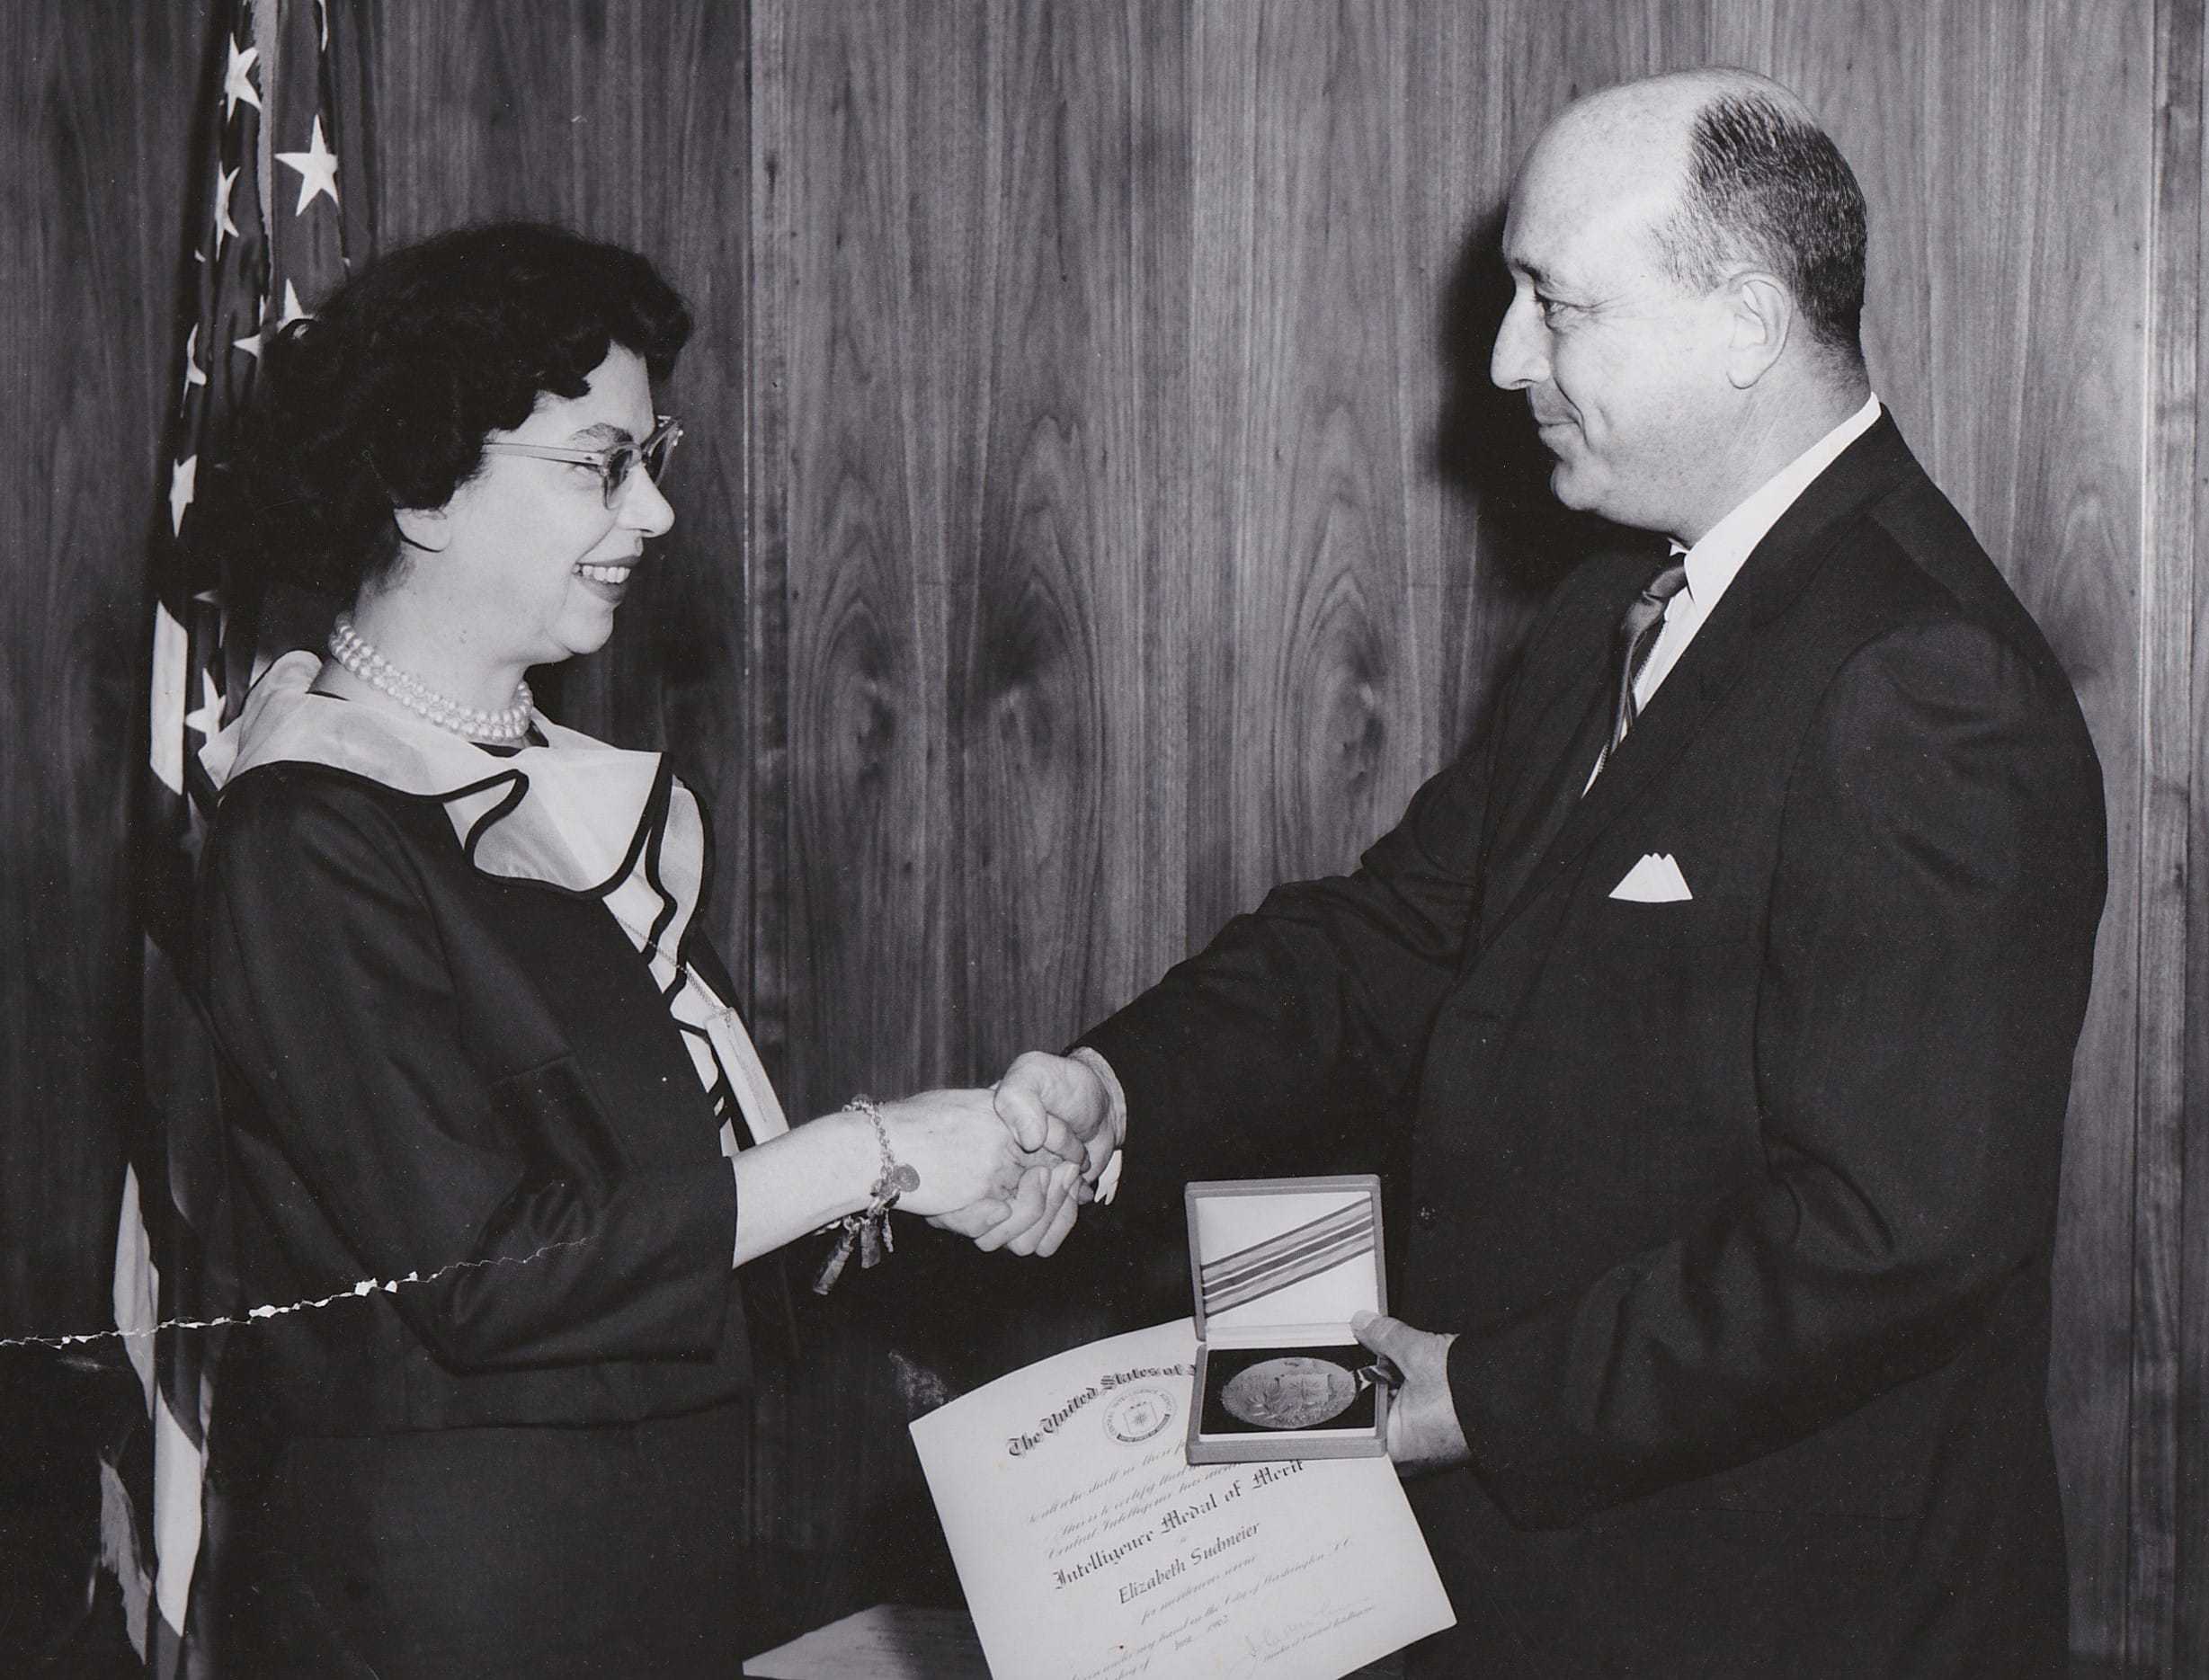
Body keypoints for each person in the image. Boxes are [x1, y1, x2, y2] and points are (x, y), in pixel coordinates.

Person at [968, 69, 2107, 1676]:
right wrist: (1116, 1087)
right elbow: (1392, 943)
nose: (1504, 362)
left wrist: (1465, 1399)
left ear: (1745, 327)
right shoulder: (1610, 612)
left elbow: (1886, 1234)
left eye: (1555, 305)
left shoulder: (1921, 680)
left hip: (1782, 1616)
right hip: (1548, 1593)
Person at [192, 222, 1071, 1677]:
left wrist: (959, 1170)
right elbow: (489, 1269)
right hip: (452, 1614)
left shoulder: (583, 793)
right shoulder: (309, 831)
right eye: (603, 463)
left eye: (652, 457)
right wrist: (877, 1147)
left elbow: (675, 1200)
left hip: (642, 1569)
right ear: (424, 486)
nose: (655, 514)